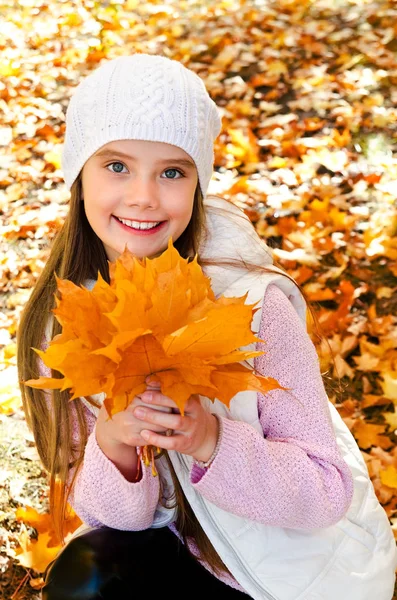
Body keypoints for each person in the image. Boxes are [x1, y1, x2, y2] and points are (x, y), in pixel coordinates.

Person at [17, 54, 396, 600]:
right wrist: (115, 446)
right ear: (79, 175)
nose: (144, 196)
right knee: (82, 578)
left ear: (197, 185)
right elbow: (105, 514)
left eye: (172, 171)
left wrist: (211, 440)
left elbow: (324, 492)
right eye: (116, 166)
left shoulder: (253, 307)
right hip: (178, 549)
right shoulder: (66, 323)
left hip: (288, 571)